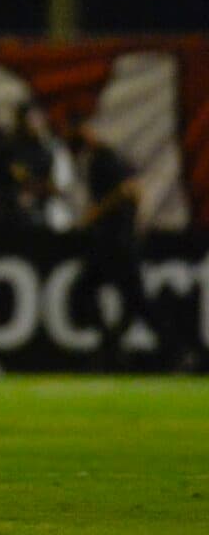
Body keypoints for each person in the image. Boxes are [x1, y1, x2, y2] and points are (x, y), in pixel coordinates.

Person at [66, 120, 198, 372]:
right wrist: (136, 224)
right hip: (114, 242)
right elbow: (135, 192)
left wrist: (96, 212)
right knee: (87, 293)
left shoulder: (105, 158)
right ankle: (113, 346)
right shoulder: (103, 158)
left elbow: (128, 190)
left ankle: (175, 351)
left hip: (117, 244)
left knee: (135, 302)